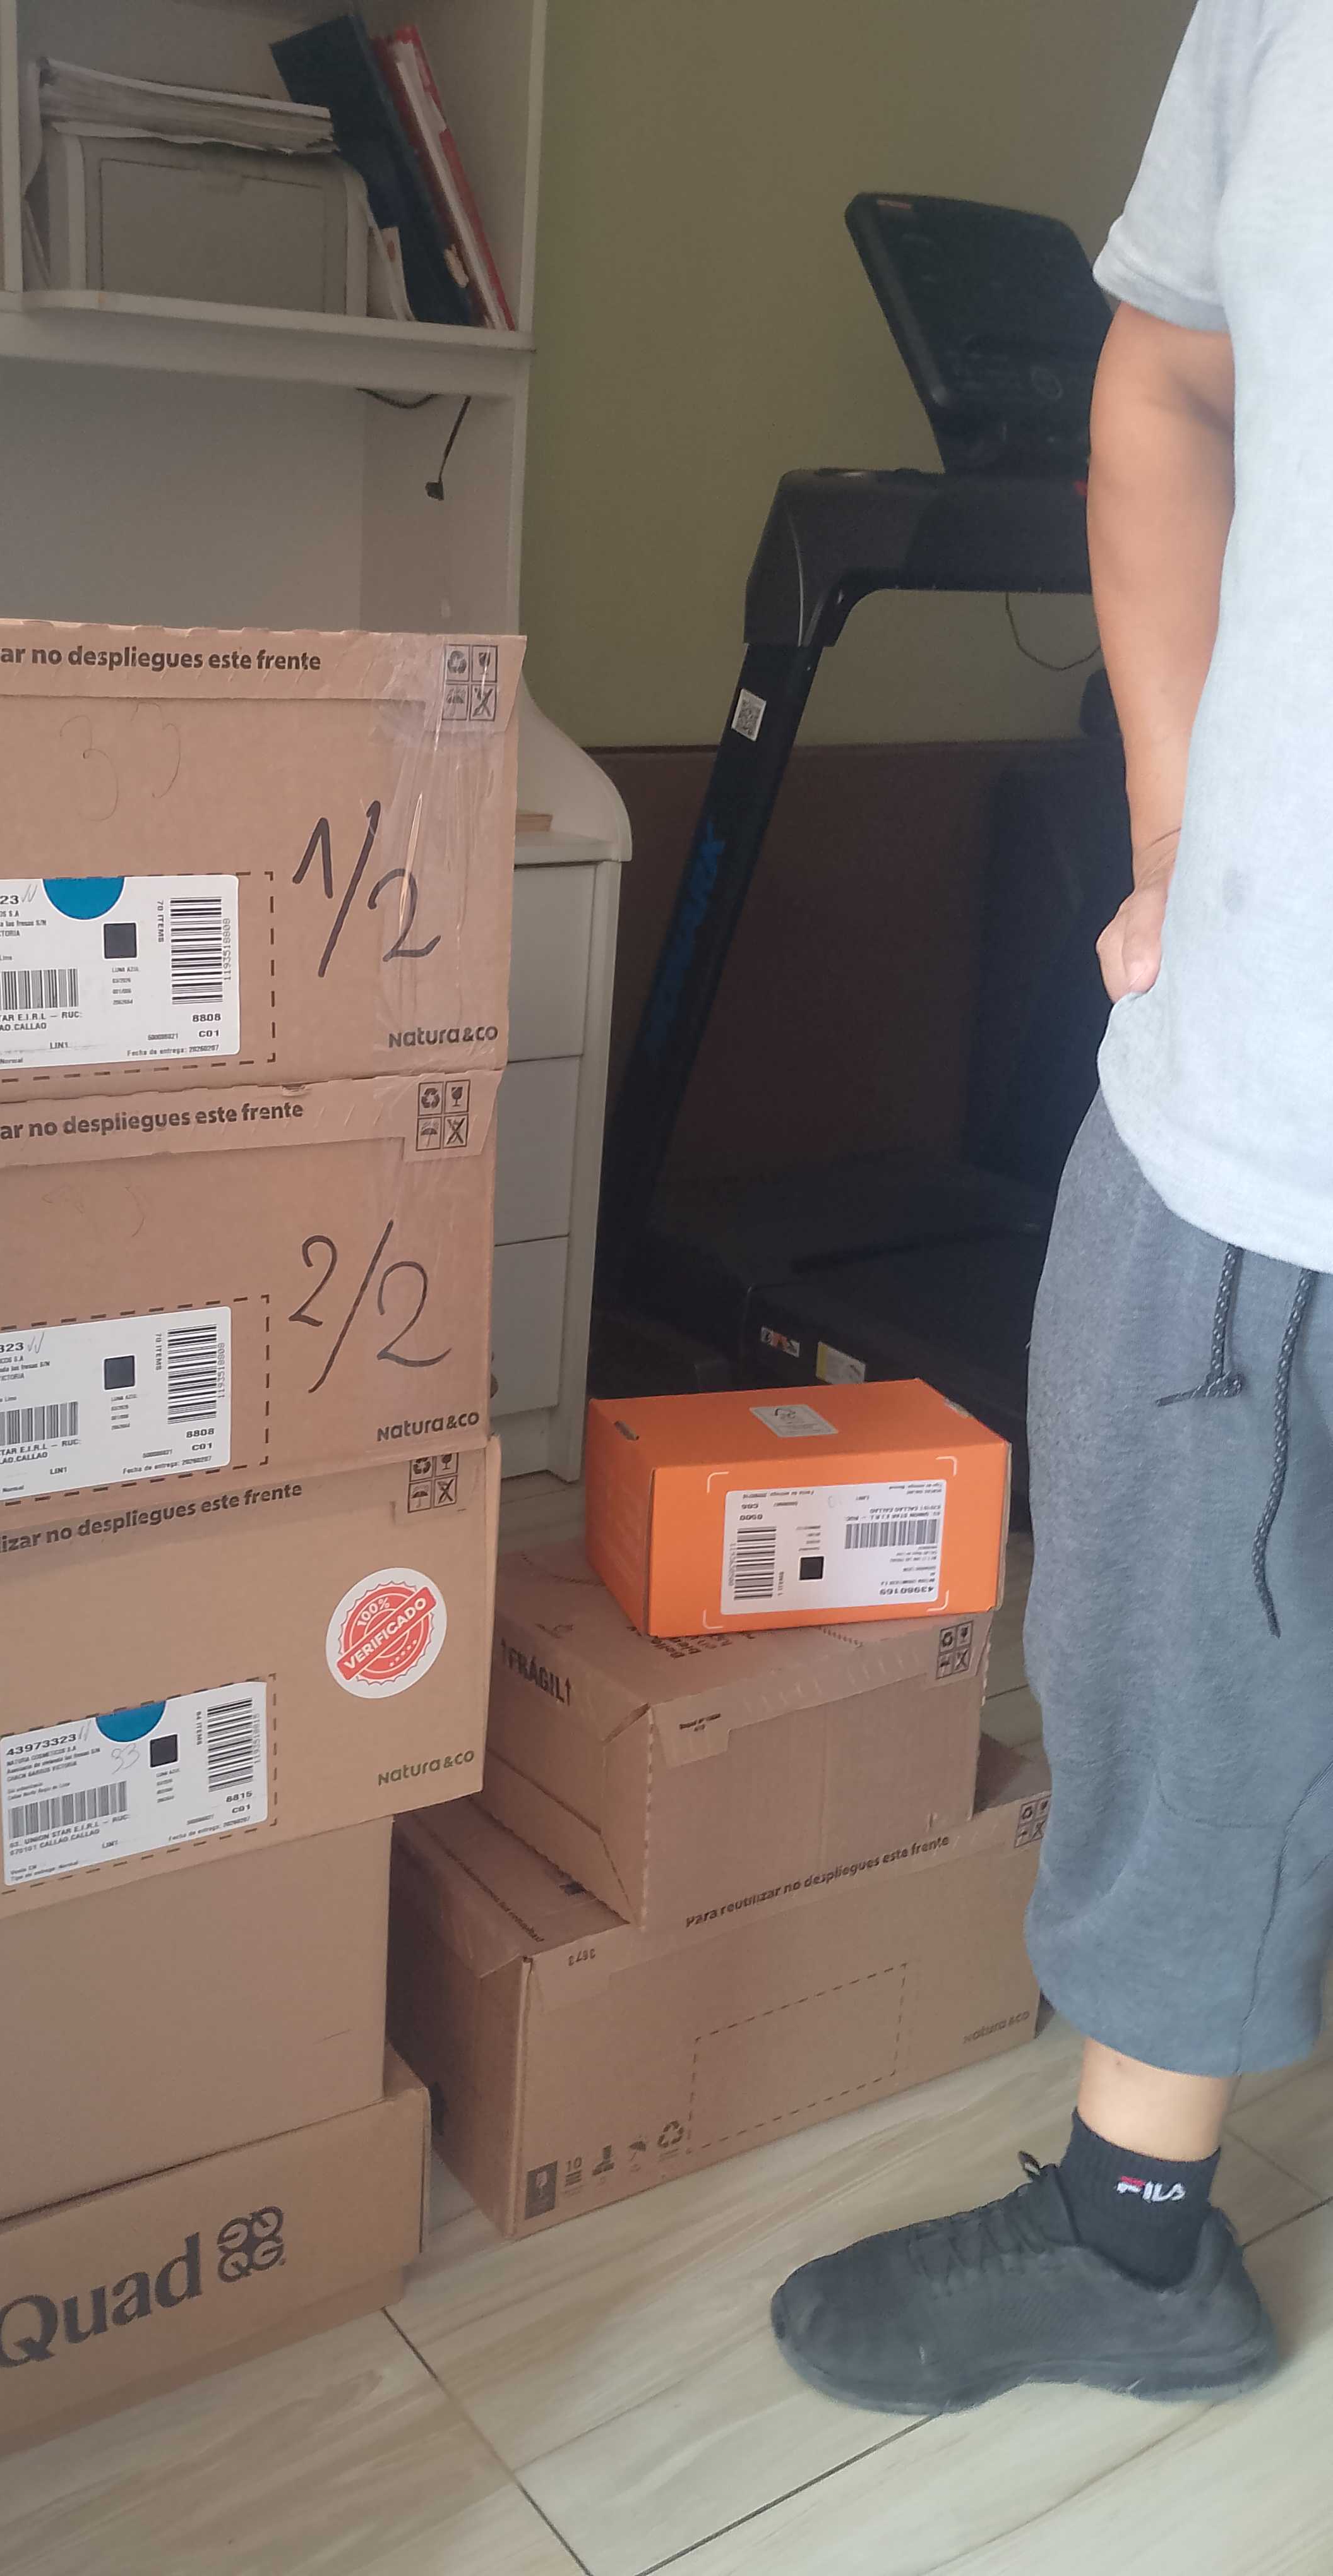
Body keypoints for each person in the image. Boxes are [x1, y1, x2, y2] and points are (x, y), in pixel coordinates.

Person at [772, 0, 1332, 2412]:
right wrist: (1180, 824)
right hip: (1262, 1064)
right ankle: (1133, 2238)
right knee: (1160, 1637)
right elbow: (1171, 378)